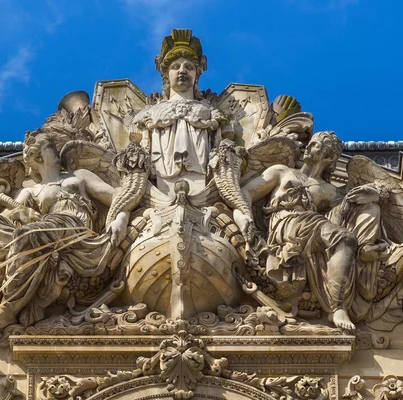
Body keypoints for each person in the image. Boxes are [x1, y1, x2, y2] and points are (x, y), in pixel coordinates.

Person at [0, 132, 129, 332]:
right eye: (51, 147)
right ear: (39, 156)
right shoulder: (30, 192)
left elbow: (117, 196)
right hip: (44, 228)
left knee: (29, 235)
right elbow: (1, 221)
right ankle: (7, 266)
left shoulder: (78, 176)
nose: (58, 151)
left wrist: (121, 218)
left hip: (74, 227)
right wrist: (21, 214)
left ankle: (8, 307)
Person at [233, 131, 382, 330]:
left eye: (316, 145)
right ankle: (337, 307)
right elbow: (245, 193)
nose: (308, 147)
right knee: (339, 235)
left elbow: (345, 213)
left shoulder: (330, 190)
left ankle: (337, 307)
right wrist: (243, 217)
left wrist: (374, 195)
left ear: (328, 157)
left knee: (346, 238)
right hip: (286, 224)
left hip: (313, 227)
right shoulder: (282, 172)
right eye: (310, 143)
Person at [132, 29, 231, 195]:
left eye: (189, 67)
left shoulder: (211, 112)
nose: (182, 71)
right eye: (175, 67)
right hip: (161, 173)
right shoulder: (148, 114)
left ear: (197, 75)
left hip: (201, 173)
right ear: (166, 75)